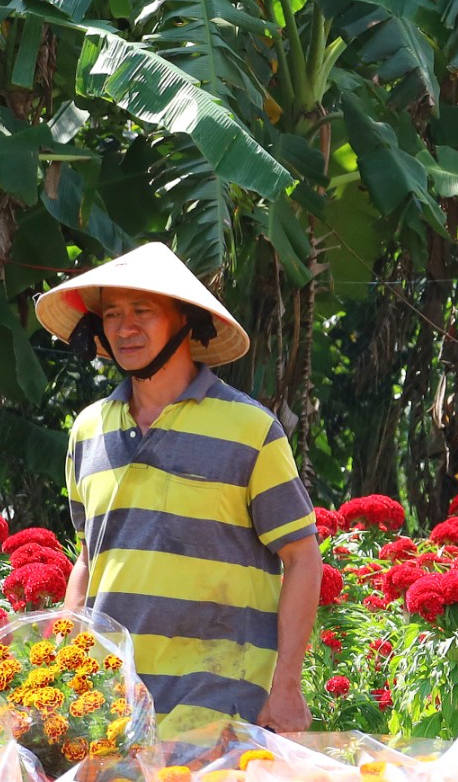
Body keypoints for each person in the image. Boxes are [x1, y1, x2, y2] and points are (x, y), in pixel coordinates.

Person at [37, 243, 322, 738]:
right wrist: (66, 662)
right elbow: (88, 559)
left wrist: (287, 689)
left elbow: (303, 558)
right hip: (113, 711)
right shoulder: (87, 430)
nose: (124, 327)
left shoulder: (251, 430)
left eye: (142, 311)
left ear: (184, 321)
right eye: (112, 313)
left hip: (221, 712)